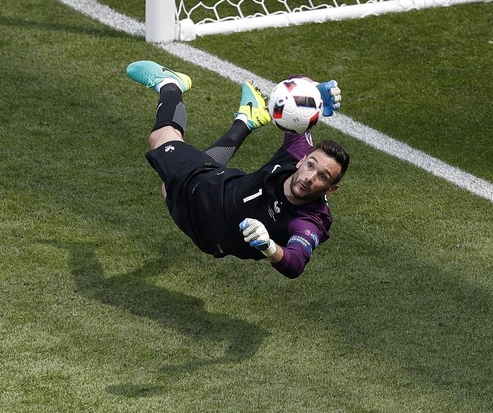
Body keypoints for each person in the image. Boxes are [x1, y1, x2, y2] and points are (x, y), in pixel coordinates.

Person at [126, 60, 349, 279]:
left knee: (168, 187)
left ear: (331, 189)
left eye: (322, 177)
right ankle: (170, 84)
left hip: (207, 237)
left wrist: (269, 246)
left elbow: (295, 263)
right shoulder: (296, 152)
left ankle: (246, 120)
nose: (310, 177)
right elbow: (291, 85)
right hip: (208, 188)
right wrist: (313, 92)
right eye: (310, 166)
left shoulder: (309, 220)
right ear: (302, 161)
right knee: (161, 139)